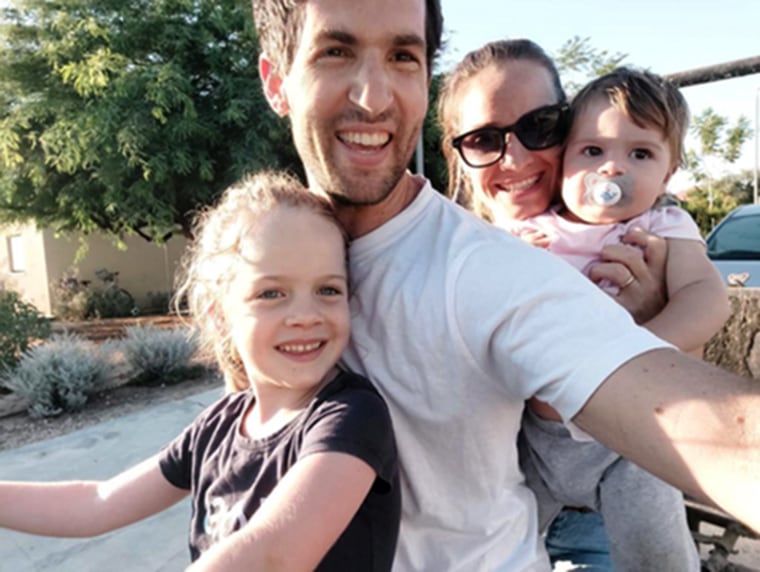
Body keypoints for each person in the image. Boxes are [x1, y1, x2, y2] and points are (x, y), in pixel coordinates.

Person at [252, 1, 760, 570]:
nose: (373, 96)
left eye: (402, 56)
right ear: (276, 81)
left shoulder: (505, 266)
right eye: (336, 52)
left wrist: (633, 327)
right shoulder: (267, 249)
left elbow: (706, 424)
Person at [0, 171, 401, 571]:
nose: (304, 315)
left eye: (327, 290)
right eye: (271, 293)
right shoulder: (217, 428)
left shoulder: (351, 417)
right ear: (219, 315)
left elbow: (273, 555)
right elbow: (98, 502)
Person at [439, 44, 727, 571]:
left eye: (540, 127)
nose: (612, 167)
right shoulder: (501, 239)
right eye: (593, 151)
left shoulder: (657, 231)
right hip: (529, 458)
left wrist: (629, 349)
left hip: (627, 447)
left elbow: (707, 304)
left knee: (655, 549)